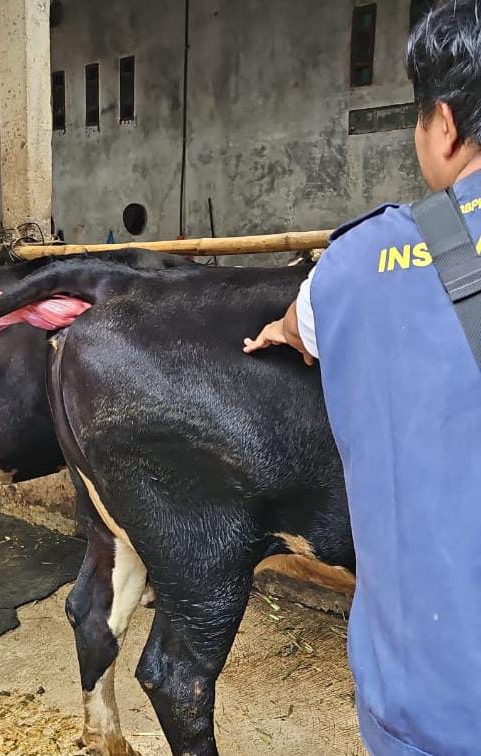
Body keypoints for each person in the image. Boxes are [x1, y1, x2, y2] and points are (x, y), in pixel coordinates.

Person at [243, 3, 481, 754]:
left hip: (420, 701)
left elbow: (299, 324)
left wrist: (278, 330)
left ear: (442, 123)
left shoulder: (351, 262)